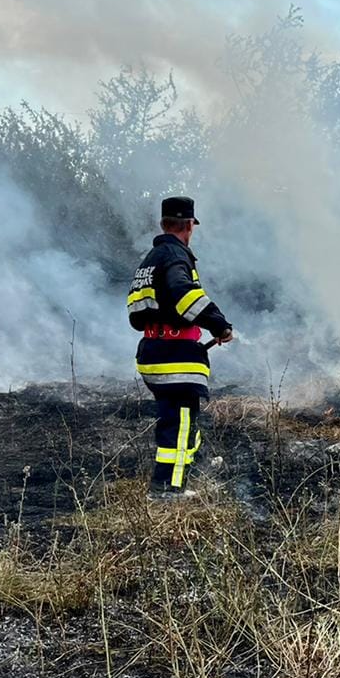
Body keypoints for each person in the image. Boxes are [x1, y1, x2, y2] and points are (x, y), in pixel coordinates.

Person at [127, 196, 233, 499]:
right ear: (188, 226)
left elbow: (135, 312)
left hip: (154, 349)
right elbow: (184, 294)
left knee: (178, 422)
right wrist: (219, 324)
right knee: (181, 425)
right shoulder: (176, 256)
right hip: (174, 356)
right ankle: (167, 491)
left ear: (163, 224)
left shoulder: (149, 260)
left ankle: (169, 484)